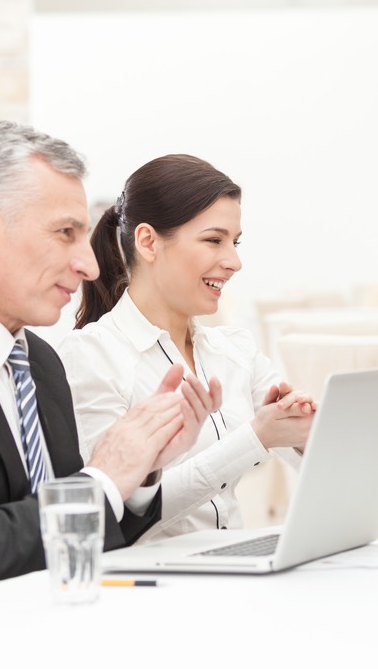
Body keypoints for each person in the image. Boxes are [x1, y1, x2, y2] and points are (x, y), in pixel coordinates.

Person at [0, 121, 220, 612]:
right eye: (65, 233)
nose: (90, 266)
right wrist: (103, 479)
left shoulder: (41, 362)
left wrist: (142, 470)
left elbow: (72, 544)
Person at [58, 154, 314, 541]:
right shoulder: (91, 356)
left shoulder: (235, 348)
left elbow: (309, 464)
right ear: (147, 241)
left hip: (234, 566)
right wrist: (255, 437)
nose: (234, 261)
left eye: (235, 242)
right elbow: (118, 516)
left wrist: (304, 432)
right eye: (214, 240)